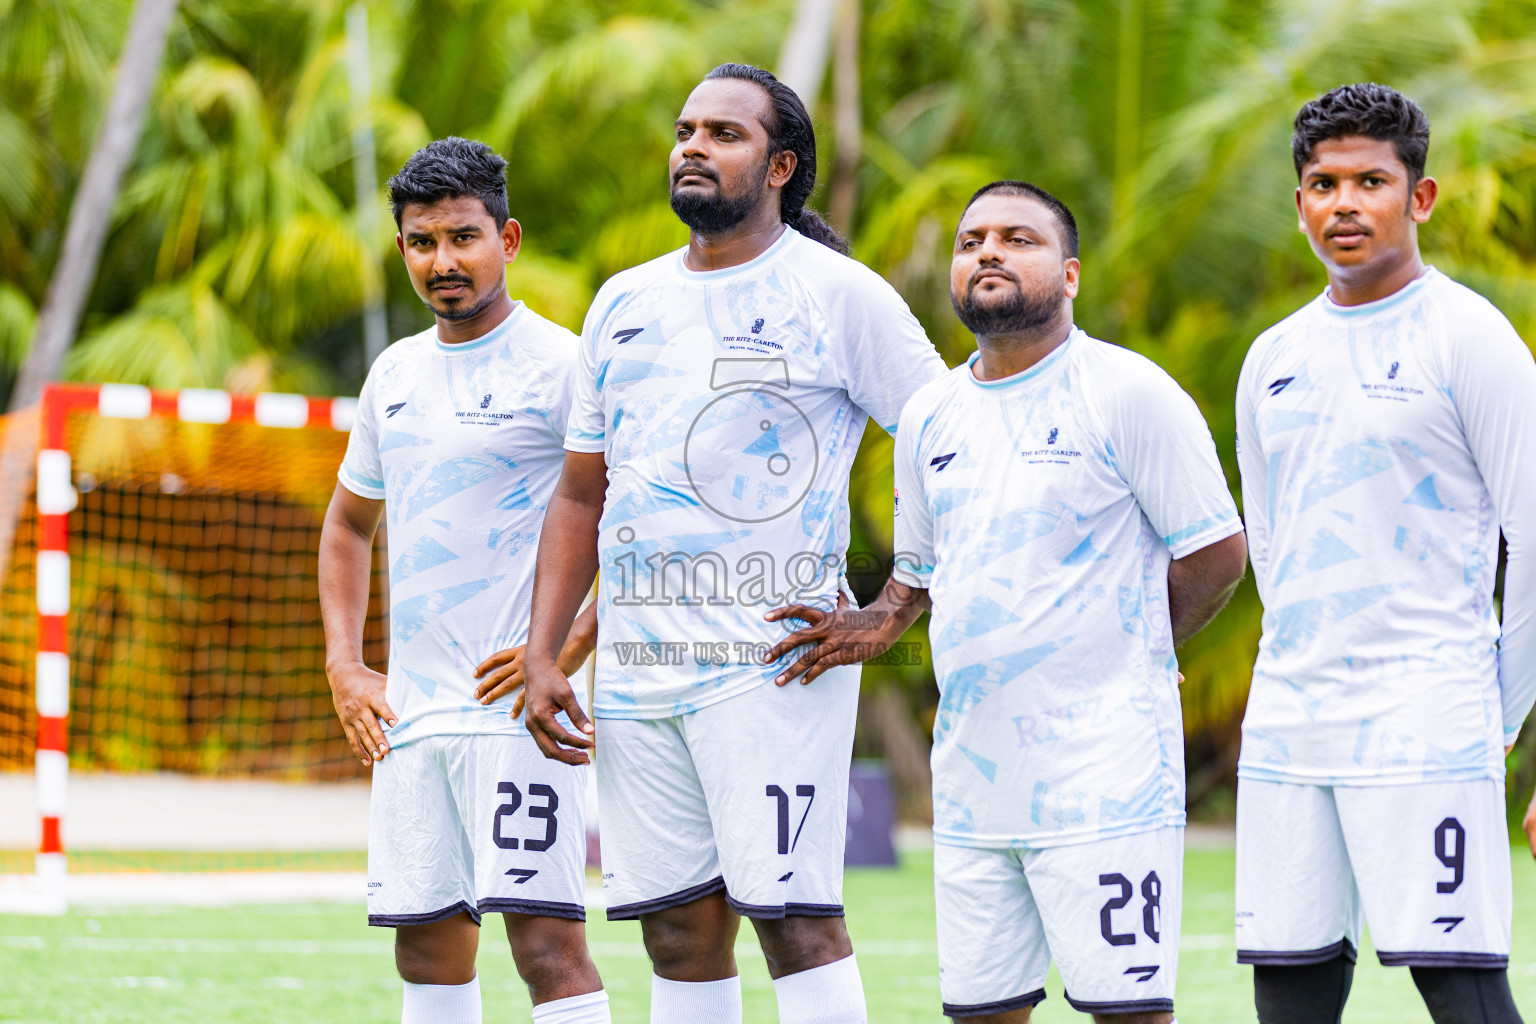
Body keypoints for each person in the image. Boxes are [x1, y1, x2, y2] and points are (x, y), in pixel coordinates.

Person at [518, 63, 948, 1024]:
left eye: (723, 133)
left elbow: (949, 443)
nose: (693, 148)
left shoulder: (838, 294)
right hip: (639, 672)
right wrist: (546, 653)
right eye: (685, 131)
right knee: (677, 932)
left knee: (794, 922)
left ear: (780, 165)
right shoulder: (622, 301)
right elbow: (581, 494)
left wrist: (894, 607)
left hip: (773, 666)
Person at [765, 180, 1247, 1023]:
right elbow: (919, 574)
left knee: (1127, 1011)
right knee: (982, 1012)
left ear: (1070, 275)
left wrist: (1142, 647)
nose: (987, 250)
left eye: (1017, 238)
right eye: (970, 240)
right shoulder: (929, 415)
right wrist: (873, 622)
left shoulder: (1128, 392)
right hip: (973, 779)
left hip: (1106, 775)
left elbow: (1216, 553)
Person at [1232, 83, 1536, 1024]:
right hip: (1290, 727)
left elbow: (1532, 536)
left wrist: (1502, 713)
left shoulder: (1470, 337)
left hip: (1429, 719)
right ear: (1300, 204)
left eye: (1371, 181)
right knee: (1289, 990)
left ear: (1420, 197)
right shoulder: (1271, 357)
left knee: (1461, 985)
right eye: (1325, 184)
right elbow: (1274, 548)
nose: (1346, 204)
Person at [318, 137, 609, 1024]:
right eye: (422, 242)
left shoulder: (565, 366)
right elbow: (347, 525)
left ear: (507, 240)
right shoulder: (394, 374)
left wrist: (567, 644)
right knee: (426, 947)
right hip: (413, 717)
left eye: (463, 237)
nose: (442, 261)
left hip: (519, 712)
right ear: (402, 248)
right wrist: (345, 664)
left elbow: (632, 522)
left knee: (546, 946)